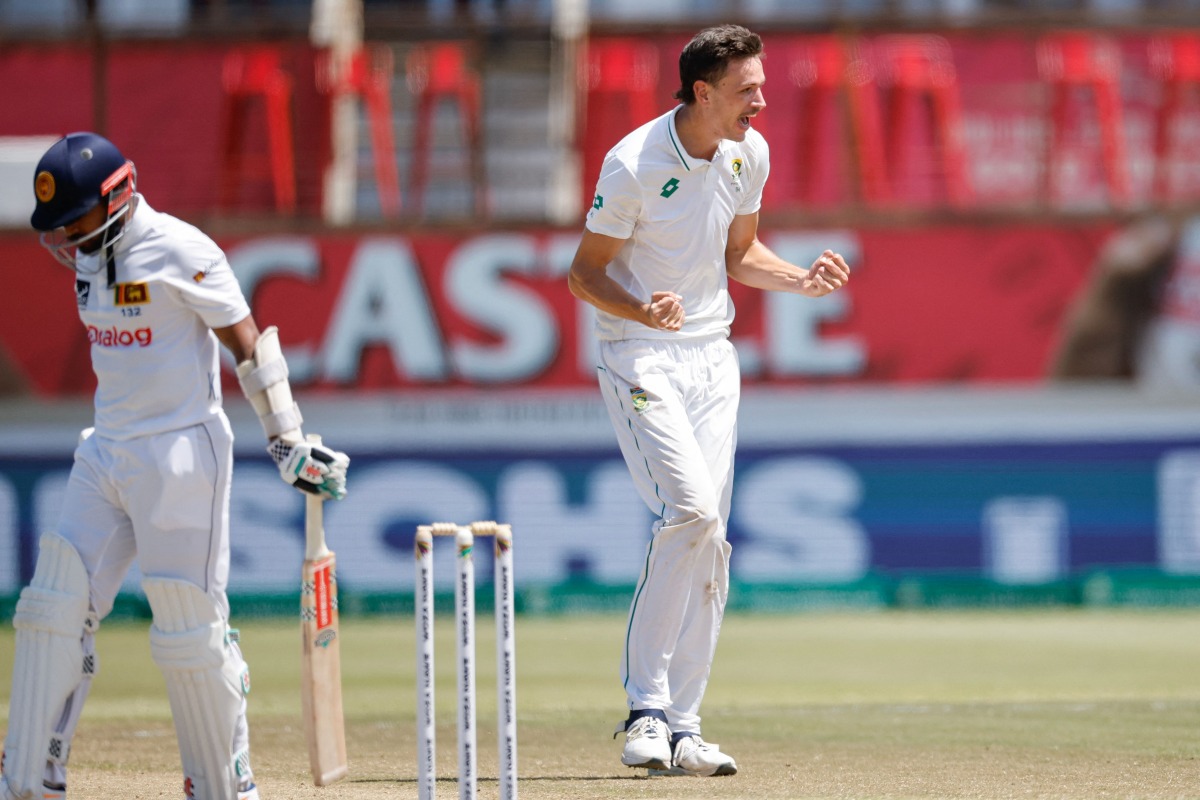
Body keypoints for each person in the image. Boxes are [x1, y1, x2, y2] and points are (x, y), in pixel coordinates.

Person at [1, 132, 350, 800]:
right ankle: (28, 777)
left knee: (189, 629)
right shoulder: (88, 255)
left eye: (75, 219)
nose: (67, 237)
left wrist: (288, 440)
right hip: (106, 448)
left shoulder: (182, 248)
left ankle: (225, 785)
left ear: (117, 196)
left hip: (181, 455)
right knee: (52, 607)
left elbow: (246, 342)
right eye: (60, 225)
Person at [568, 24, 851, 777]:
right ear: (702, 92)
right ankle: (645, 712)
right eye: (746, 89)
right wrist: (642, 313)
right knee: (689, 511)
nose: (761, 99)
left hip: (711, 358)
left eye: (760, 84)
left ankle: (684, 726)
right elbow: (584, 274)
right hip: (640, 356)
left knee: (713, 535)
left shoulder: (745, 154)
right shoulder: (633, 163)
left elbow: (740, 256)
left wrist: (801, 280)